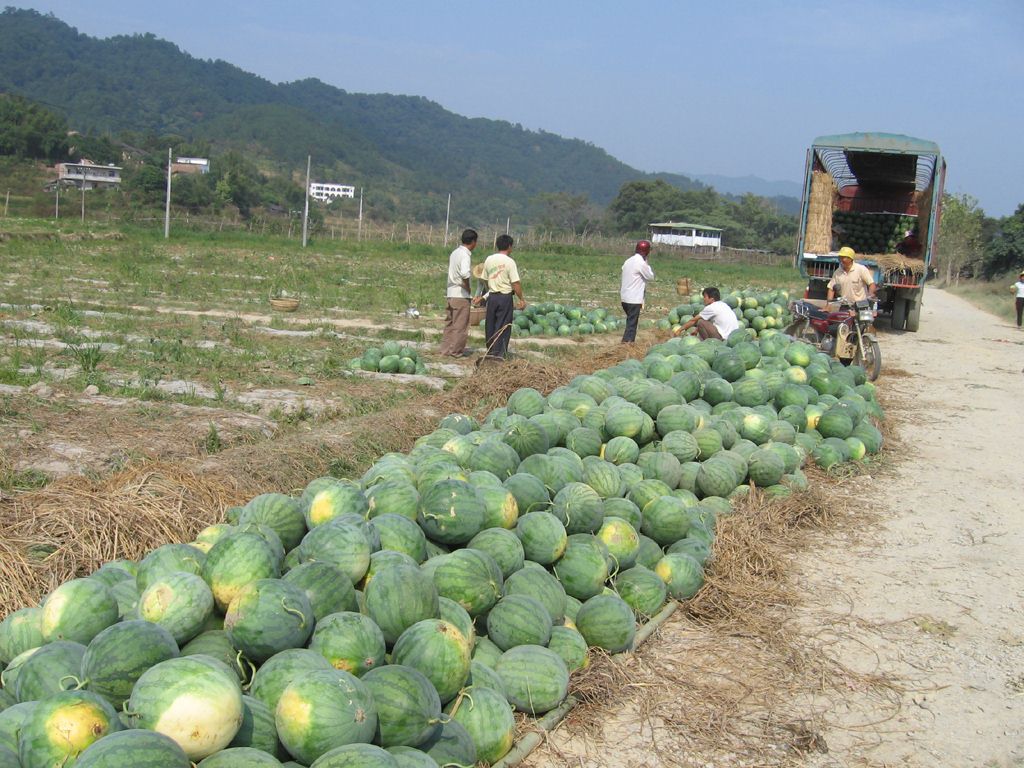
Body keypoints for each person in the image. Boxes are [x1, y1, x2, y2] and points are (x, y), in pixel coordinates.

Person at [477, 234, 526, 360]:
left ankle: (490, 351)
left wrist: (487, 293)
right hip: (505, 298)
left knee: (491, 325)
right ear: (509, 246)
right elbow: (515, 283)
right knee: (503, 326)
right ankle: (498, 355)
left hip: (492, 297)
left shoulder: (489, 259)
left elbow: (484, 279)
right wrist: (521, 299)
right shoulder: (510, 262)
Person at [438, 229, 477, 357]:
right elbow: (465, 274)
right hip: (460, 294)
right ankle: (455, 351)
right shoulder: (465, 255)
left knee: (450, 323)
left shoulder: (454, 252)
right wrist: (468, 288)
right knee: (461, 325)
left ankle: (445, 350)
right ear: (473, 242)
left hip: (450, 293)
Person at [620, 240, 654, 343]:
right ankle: (627, 344)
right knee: (632, 324)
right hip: (634, 299)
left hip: (624, 298)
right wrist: (646, 263)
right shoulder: (641, 263)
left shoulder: (628, 261)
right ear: (647, 251)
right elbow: (650, 276)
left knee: (630, 322)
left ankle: (626, 342)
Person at [674, 286, 739, 340]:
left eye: (705, 297)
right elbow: (708, 320)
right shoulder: (723, 305)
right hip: (733, 337)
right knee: (704, 321)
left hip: (723, 337)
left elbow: (693, 320)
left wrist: (679, 330)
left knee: (700, 322)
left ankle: (708, 343)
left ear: (712, 299)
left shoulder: (711, 307)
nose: (703, 299)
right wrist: (696, 330)